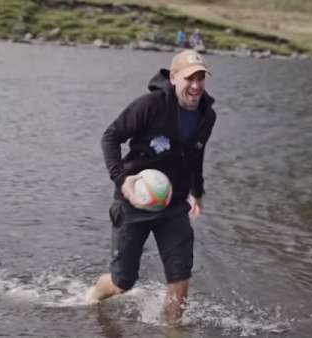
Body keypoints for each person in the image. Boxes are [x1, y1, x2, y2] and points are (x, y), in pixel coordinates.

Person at [87, 49, 217, 323]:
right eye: (189, 78)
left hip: (174, 205)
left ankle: (172, 329)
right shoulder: (150, 105)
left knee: (180, 279)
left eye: (200, 78)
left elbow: (196, 152)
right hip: (135, 200)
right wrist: (122, 181)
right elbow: (110, 137)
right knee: (123, 282)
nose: (195, 86)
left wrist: (197, 190)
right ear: (173, 78)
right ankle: (92, 298)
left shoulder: (208, 115)